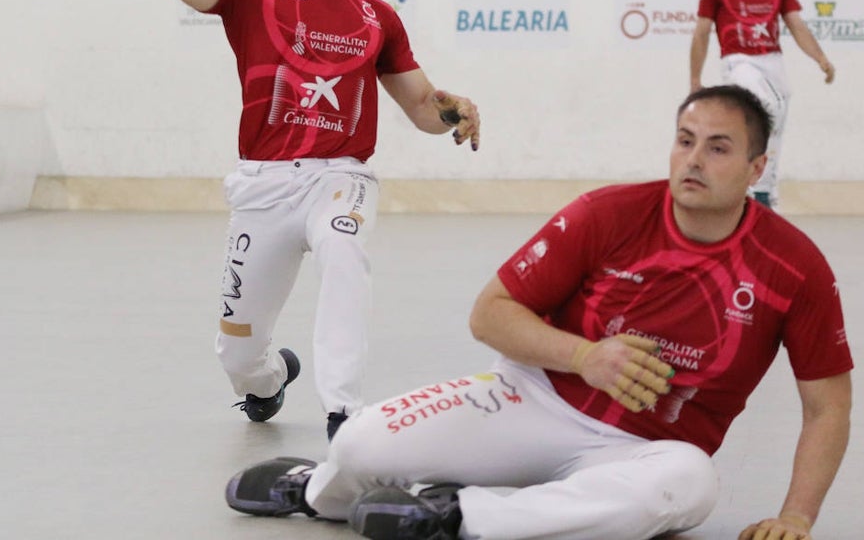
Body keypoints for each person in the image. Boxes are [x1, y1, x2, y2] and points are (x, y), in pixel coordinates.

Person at [226, 85, 852, 540]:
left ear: (756, 167)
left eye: (718, 148)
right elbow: (489, 315)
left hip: (649, 450)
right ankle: (313, 490)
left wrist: (796, 518)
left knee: (690, 488)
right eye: (685, 141)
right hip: (532, 397)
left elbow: (828, 406)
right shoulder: (608, 213)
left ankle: (458, 516)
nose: (693, 160)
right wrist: (584, 355)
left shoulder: (794, 267)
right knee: (360, 443)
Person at [53, 0, 481, 440]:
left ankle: (345, 417)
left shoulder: (376, 15)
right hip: (263, 186)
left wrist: (454, 110)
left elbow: (424, 106)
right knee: (237, 359)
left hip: (339, 176)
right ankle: (270, 377)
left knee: (344, 244)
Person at [689, 0, 835, 209]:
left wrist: (820, 58)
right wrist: (695, 79)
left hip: (773, 62)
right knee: (765, 105)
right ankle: (751, 189)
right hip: (738, 61)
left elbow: (796, 26)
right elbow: (702, 32)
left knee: (777, 121)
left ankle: (765, 192)